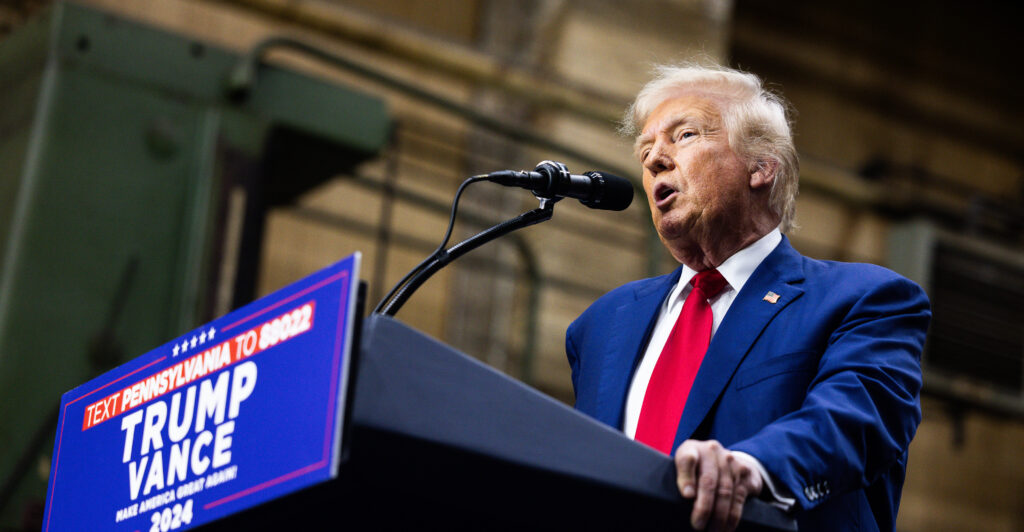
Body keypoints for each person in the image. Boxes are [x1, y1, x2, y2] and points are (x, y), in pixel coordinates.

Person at [565, 63, 930, 532]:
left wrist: (753, 469)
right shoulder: (601, 324)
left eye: (685, 135)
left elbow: (852, 423)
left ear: (762, 166)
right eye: (646, 150)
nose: (655, 158)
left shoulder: (866, 300)